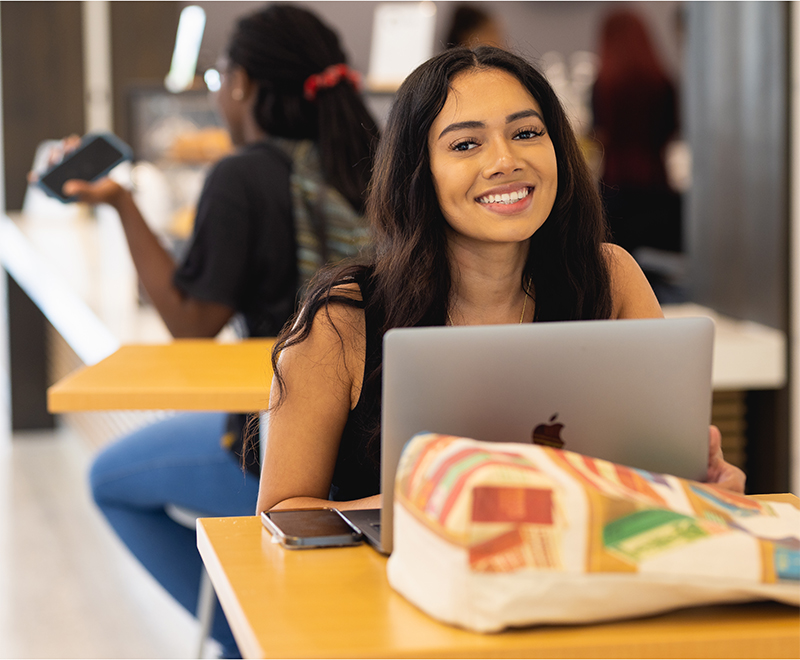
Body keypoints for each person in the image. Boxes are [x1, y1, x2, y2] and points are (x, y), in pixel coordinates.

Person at [255, 45, 745, 517]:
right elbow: (281, 513)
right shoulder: (343, 320)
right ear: (418, 172)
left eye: (527, 133)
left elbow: (656, 480)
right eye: (466, 144)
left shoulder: (610, 278)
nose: (505, 161)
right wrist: (442, 497)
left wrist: (700, 486)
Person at [58, 5, 378, 657]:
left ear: (242, 84)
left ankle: (244, 634)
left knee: (109, 480)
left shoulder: (243, 175)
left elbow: (191, 323)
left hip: (274, 446)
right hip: (376, 443)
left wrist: (120, 203)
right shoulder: (378, 161)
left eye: (217, 78)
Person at [592, 10, 681, 258]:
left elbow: (600, 134)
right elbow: (673, 128)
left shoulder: (604, 85)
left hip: (615, 184)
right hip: (657, 181)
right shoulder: (662, 82)